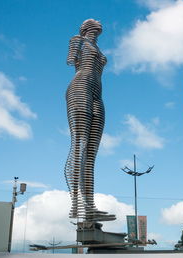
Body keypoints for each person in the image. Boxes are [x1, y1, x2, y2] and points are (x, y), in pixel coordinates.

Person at [65, 19, 115, 222]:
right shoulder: (77, 40)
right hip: (80, 88)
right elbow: (71, 61)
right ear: (85, 27)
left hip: (97, 93)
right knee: (79, 145)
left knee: (91, 153)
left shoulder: (98, 48)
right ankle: (76, 204)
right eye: (95, 22)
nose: (100, 22)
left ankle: (90, 205)